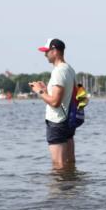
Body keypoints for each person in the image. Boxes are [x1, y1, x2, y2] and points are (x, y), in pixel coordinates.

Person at [29, 38, 77, 169]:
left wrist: (38, 91)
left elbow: (55, 102)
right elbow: (65, 95)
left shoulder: (58, 72)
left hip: (57, 122)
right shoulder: (69, 69)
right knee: (69, 162)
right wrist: (46, 90)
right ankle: (71, 188)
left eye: (47, 51)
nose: (45, 55)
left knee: (58, 164)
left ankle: (60, 189)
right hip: (68, 120)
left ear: (54, 51)